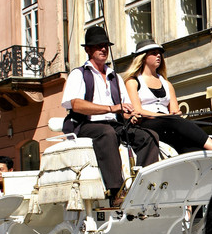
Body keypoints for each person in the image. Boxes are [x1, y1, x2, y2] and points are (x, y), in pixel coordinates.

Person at [61, 25, 161, 204]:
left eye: (105, 45)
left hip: (114, 124)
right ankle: (116, 191)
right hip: (85, 124)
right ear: (88, 49)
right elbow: (76, 105)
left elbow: (122, 107)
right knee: (106, 134)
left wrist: (129, 115)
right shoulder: (79, 74)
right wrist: (111, 108)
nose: (103, 49)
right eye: (98, 45)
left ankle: (142, 187)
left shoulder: (114, 77)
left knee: (149, 136)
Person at [124, 40, 212, 154]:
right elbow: (138, 110)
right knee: (174, 121)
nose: (158, 56)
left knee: (191, 146)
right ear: (143, 57)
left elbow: (175, 111)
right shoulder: (133, 82)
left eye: (159, 53)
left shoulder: (167, 84)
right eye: (154, 53)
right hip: (147, 124)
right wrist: (166, 117)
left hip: (168, 123)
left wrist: (174, 114)